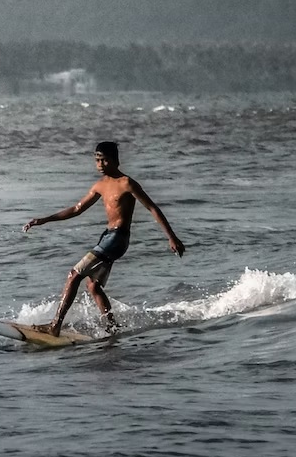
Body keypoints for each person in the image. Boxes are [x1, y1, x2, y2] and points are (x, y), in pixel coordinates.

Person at [23, 140, 185, 336]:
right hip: (107, 237)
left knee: (74, 274)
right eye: (97, 160)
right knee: (93, 286)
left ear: (115, 161)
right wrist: (44, 220)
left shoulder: (127, 183)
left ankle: (55, 325)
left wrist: (171, 237)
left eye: (105, 160)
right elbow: (77, 209)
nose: (100, 165)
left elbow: (152, 208)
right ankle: (112, 326)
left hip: (118, 238)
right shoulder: (100, 185)